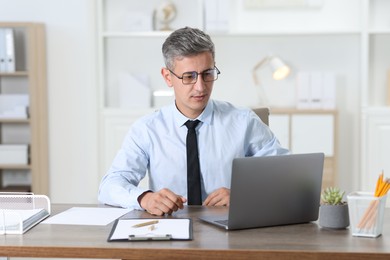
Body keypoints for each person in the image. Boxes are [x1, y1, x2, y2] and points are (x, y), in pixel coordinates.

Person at [98, 27, 289, 216]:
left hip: (229, 233)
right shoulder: (147, 129)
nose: (200, 87)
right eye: (189, 76)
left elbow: (285, 175)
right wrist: (144, 198)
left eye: (207, 74)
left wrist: (245, 195)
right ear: (168, 77)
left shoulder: (244, 121)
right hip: (170, 233)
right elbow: (110, 185)